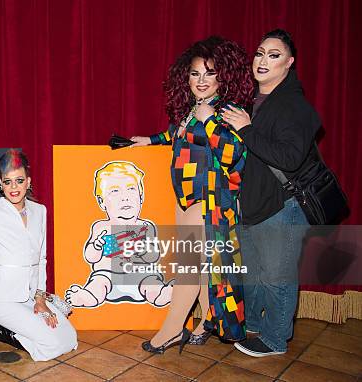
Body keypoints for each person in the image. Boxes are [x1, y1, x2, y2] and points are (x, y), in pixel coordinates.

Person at [130, 36, 253, 353]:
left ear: (221, 76)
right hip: (185, 198)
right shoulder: (193, 108)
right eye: (195, 73)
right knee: (199, 265)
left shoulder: (227, 110)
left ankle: (172, 330)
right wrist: (151, 139)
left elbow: (236, 154)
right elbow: (179, 134)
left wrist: (210, 122)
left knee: (189, 266)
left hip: (209, 201)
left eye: (209, 73)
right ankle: (206, 320)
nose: (201, 80)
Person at [222, 29, 316, 357]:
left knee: (278, 276)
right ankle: (256, 326)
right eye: (260, 53)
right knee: (256, 273)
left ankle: (276, 339)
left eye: (273, 55)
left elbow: (289, 158)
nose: (262, 61)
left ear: (288, 63)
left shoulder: (294, 105)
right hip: (254, 204)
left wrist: (246, 129)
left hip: (283, 205)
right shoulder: (256, 102)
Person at [0, 149, 78, 361]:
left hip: (29, 295)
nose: (14, 187)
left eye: (19, 180)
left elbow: (41, 259)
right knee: (51, 344)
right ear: (0, 184)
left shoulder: (40, 211)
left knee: (69, 338)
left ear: (28, 182)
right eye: (7, 181)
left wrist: (40, 299)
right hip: (0, 298)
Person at [64, 161, 173, 308]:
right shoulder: (102, 227)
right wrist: (96, 246)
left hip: (140, 277)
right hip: (108, 277)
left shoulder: (145, 226)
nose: (125, 197)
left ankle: (161, 295)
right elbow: (90, 257)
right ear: (102, 202)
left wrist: (144, 249)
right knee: (98, 282)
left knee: (152, 282)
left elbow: (154, 256)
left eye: (131, 189)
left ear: (141, 198)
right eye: (115, 191)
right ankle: (88, 297)